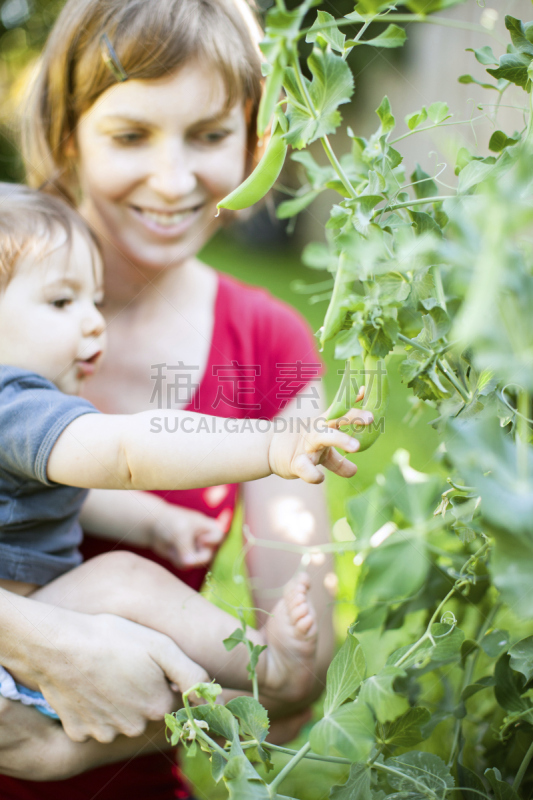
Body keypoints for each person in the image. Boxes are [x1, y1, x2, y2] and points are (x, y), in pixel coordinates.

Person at [0, 0, 366, 796]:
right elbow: (120, 451)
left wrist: (84, 733)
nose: (173, 181)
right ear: (68, 136)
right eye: (131, 135)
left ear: (252, 141)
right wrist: (34, 638)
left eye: (208, 135)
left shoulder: (263, 350)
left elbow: (294, 691)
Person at [0, 183, 367, 718]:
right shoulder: (15, 406)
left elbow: (66, 490)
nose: (94, 320)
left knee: (134, 647)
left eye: (94, 300)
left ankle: (215, 709)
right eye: (61, 301)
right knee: (123, 581)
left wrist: (154, 523)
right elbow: (125, 453)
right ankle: (268, 670)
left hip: (31, 631)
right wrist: (272, 443)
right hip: (21, 643)